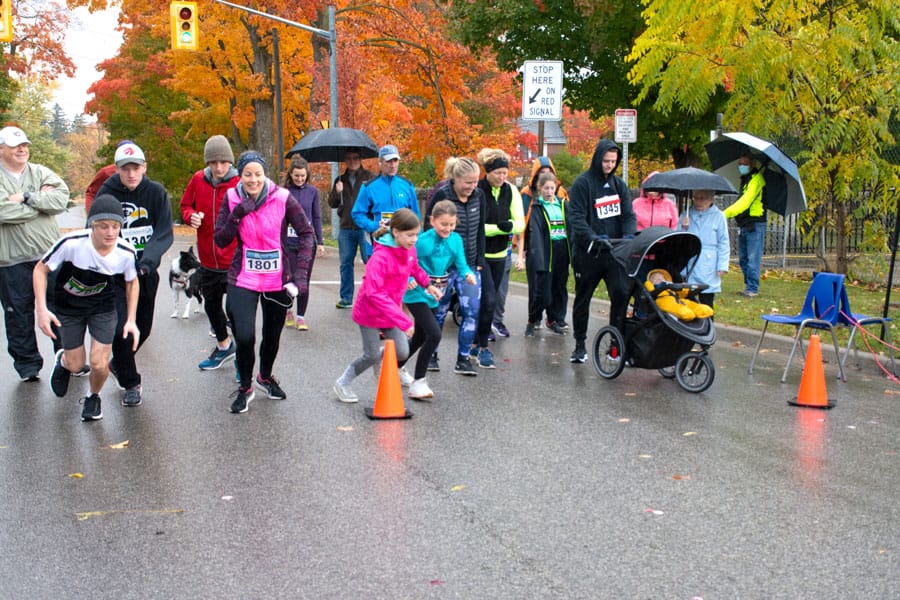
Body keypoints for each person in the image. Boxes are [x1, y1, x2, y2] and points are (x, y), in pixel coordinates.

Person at [214, 151, 314, 414]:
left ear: (265, 174)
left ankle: (265, 377)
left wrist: (300, 275)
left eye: (258, 174)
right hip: (243, 276)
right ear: (240, 175)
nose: (253, 179)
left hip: (276, 279)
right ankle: (245, 387)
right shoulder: (231, 197)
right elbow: (221, 239)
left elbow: (306, 233)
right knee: (245, 335)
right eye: (248, 174)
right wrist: (237, 214)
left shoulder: (282, 197)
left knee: (272, 335)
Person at [33, 195, 140, 421]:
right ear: (93, 225)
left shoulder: (125, 252)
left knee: (99, 363)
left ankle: (93, 397)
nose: (110, 233)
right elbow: (40, 270)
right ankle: (63, 361)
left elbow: (132, 281)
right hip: (69, 306)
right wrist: (41, 309)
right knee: (77, 364)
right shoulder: (72, 243)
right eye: (103, 227)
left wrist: (131, 319)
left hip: (102, 306)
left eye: (115, 226)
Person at [333, 209, 440, 404]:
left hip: (389, 312)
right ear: (396, 232)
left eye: (417, 234)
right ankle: (342, 383)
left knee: (402, 352)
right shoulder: (380, 257)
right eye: (410, 235)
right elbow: (374, 293)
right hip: (369, 312)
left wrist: (429, 285)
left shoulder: (409, 250)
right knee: (370, 354)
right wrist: (404, 321)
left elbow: (415, 267)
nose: (414, 239)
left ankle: (379, 359)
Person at [97, 141, 174, 406]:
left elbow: (164, 232)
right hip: (115, 276)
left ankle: (119, 363)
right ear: (117, 170)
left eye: (136, 168)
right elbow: (94, 229)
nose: (131, 174)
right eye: (125, 168)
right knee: (122, 330)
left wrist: (147, 262)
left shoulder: (156, 192)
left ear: (144, 167)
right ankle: (131, 382)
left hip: (144, 271)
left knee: (143, 328)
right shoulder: (107, 194)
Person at [0, 125, 70, 381]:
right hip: (10, 262)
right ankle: (28, 364)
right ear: (1, 150)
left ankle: (67, 357)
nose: (22, 149)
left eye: (24, 145)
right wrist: (41, 206)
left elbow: (61, 200)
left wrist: (26, 197)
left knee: (60, 306)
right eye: (15, 145)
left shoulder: (41, 172)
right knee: (17, 313)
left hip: (48, 256)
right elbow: (1, 212)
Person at [566, 139, 636, 363]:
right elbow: (576, 218)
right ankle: (579, 345)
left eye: (613, 162)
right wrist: (593, 237)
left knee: (621, 295)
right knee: (583, 298)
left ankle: (615, 346)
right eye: (606, 161)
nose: (609, 165)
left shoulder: (619, 186)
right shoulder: (582, 184)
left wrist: (628, 237)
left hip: (614, 253)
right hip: (588, 253)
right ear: (598, 159)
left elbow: (628, 215)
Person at [399, 200, 475, 399]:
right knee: (434, 334)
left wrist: (468, 274)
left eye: (451, 224)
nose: (448, 228)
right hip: (416, 293)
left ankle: (394, 366)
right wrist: (407, 279)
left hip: (436, 292)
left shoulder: (456, 240)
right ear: (432, 221)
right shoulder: (422, 241)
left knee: (421, 337)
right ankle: (419, 382)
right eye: (443, 224)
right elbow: (406, 261)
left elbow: (462, 264)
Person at [180, 135, 240, 370]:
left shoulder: (238, 182)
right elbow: (186, 205)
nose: (218, 167)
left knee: (236, 311)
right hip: (208, 260)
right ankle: (225, 347)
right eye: (213, 162)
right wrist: (190, 216)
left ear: (230, 161)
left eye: (223, 162)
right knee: (211, 306)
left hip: (234, 259)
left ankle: (242, 362)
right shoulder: (198, 180)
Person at [425, 157, 486, 376]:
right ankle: (431, 354)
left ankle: (463, 359)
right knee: (439, 312)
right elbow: (427, 226)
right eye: (468, 182)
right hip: (442, 267)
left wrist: (479, 261)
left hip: (468, 265)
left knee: (472, 311)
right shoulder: (442, 195)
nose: (472, 187)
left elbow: (480, 230)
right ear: (456, 178)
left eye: (475, 182)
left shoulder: (479, 196)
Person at [475, 148, 524, 348]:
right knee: (486, 298)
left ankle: (483, 335)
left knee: (493, 299)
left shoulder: (511, 190)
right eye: (498, 173)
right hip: (480, 254)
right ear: (487, 172)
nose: (502, 177)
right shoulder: (478, 190)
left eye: (505, 173)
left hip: (501, 254)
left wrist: (510, 226)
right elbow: (476, 226)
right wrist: (498, 229)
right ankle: (480, 339)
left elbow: (520, 222)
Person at [518, 156, 569, 333]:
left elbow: (571, 223)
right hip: (539, 248)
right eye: (542, 173)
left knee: (559, 286)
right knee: (540, 288)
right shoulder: (530, 197)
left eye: (552, 186)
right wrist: (522, 249)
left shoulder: (562, 199)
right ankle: (534, 319)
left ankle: (555, 318)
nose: (549, 190)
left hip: (561, 249)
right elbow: (524, 221)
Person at [351, 144, 420, 258]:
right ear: (380, 162)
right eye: (388, 161)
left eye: (395, 160)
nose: (393, 165)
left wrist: (416, 239)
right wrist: (374, 225)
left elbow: (416, 215)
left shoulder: (407, 185)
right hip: (378, 243)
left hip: (403, 244)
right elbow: (357, 214)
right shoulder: (369, 187)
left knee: (404, 275)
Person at [283, 156, 325, 330]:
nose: (300, 179)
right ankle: (288, 310)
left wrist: (320, 241)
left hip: (307, 242)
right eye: (296, 176)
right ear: (290, 175)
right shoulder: (284, 191)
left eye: (302, 176)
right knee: (290, 278)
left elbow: (316, 217)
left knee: (304, 280)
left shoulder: (313, 192)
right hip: (288, 242)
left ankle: (301, 316)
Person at [327, 151, 373, 309]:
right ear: (345, 160)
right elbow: (332, 203)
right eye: (349, 159)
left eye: (355, 158)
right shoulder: (340, 179)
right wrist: (336, 191)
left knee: (371, 261)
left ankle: (372, 295)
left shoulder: (370, 177)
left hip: (365, 227)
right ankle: (346, 297)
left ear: (360, 159)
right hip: (346, 227)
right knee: (346, 263)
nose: (352, 161)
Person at [723, 151, 766, 297]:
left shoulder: (756, 180)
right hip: (745, 223)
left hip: (755, 223)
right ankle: (749, 286)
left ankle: (753, 289)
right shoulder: (746, 180)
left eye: (745, 164)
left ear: (752, 164)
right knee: (743, 258)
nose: (742, 166)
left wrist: (724, 214)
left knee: (753, 258)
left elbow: (744, 202)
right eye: (740, 164)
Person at [680, 189, 730, 308]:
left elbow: (723, 242)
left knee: (706, 301)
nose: (698, 201)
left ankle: (708, 324)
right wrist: (683, 227)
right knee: (687, 300)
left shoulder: (718, 216)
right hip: (690, 260)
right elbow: (677, 237)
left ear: (710, 199)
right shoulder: (686, 214)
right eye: (696, 198)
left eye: (702, 198)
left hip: (709, 262)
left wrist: (722, 265)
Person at [644, 269, 714, 321]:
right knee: (672, 307)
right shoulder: (654, 286)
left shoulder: (670, 285)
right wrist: (649, 283)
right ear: (652, 281)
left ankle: (699, 309)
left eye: (663, 278)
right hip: (663, 299)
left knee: (688, 303)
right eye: (658, 279)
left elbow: (682, 294)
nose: (662, 280)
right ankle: (683, 313)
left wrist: (683, 287)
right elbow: (650, 290)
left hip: (678, 299)